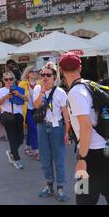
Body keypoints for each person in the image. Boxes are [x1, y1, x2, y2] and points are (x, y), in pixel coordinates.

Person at [60, 52, 109, 205]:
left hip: (92, 153)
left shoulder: (76, 92)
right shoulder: (89, 85)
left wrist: (81, 159)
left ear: (60, 69)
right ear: (80, 67)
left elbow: (86, 127)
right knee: (108, 189)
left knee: (83, 198)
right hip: (108, 149)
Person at [33, 62, 71, 202]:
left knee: (59, 158)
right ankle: (49, 185)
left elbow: (65, 114)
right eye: (42, 74)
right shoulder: (38, 89)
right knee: (45, 157)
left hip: (57, 127)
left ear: (55, 77)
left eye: (48, 75)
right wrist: (42, 92)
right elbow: (36, 106)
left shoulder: (60, 92)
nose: (44, 77)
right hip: (42, 126)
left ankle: (60, 187)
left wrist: (67, 131)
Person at [0, 72, 26, 170]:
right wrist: (5, 97)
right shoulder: (1, 91)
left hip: (18, 116)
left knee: (20, 138)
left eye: (10, 79)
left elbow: (25, 100)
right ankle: (16, 160)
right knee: (12, 138)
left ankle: (12, 152)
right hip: (7, 116)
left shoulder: (19, 89)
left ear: (14, 79)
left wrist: (18, 94)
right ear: (4, 80)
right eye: (6, 79)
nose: (9, 81)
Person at [19, 66, 40, 160]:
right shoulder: (22, 84)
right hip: (26, 109)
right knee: (34, 128)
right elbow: (18, 97)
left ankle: (27, 147)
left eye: (36, 71)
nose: (34, 73)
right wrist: (23, 97)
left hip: (37, 109)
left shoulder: (39, 83)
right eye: (32, 71)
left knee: (32, 129)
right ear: (27, 73)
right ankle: (36, 151)